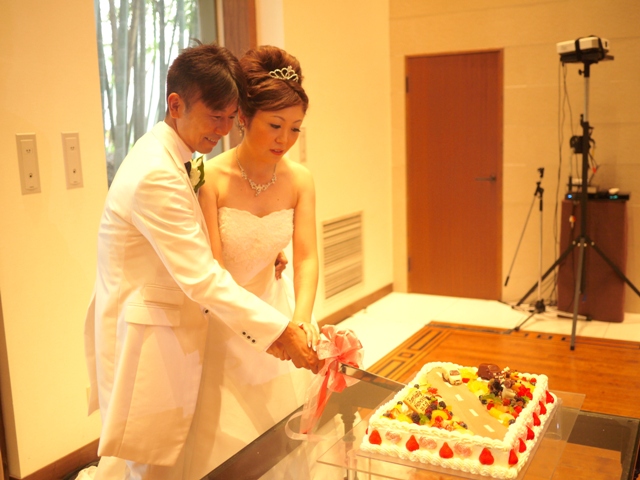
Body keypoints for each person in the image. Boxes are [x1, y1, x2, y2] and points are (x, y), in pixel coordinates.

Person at [84, 42, 320, 480]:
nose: (223, 129)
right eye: (216, 117)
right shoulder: (161, 173)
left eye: (229, 116)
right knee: (162, 458)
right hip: (171, 324)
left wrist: (266, 250)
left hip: (227, 313)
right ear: (176, 105)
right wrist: (282, 330)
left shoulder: (177, 159)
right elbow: (204, 276)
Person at [175, 45, 321, 478]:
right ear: (243, 116)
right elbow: (214, 271)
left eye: (295, 129)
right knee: (227, 443)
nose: (284, 140)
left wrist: (301, 321)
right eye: (275, 125)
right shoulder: (208, 178)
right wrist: (266, 328)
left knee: (282, 436)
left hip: (277, 308)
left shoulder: (300, 180)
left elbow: (307, 256)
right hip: (224, 319)